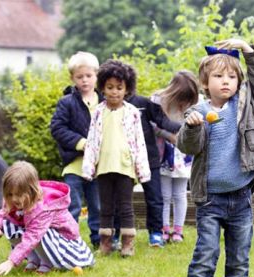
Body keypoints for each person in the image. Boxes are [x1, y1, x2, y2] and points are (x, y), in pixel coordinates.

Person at [177, 39, 254, 277]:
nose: (226, 81)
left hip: (241, 197)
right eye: (219, 76)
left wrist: (247, 49)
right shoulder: (197, 112)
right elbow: (187, 147)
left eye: (232, 77)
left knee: (239, 257)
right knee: (206, 253)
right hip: (210, 199)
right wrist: (192, 128)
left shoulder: (245, 105)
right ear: (205, 82)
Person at [82, 59, 151, 257]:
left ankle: (127, 243)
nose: (114, 92)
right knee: (106, 207)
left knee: (125, 206)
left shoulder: (132, 113)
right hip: (103, 167)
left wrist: (141, 169)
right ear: (102, 88)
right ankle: (105, 244)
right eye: (110, 87)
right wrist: (89, 166)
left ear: (127, 88)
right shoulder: (97, 113)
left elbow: (140, 142)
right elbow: (92, 140)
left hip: (125, 167)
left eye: (119, 87)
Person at [0, 161, 94, 276]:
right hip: (42, 239)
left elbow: (32, 237)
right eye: (10, 194)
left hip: (65, 244)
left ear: (31, 190)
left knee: (42, 233)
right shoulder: (12, 198)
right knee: (8, 223)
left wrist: (11, 262)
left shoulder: (43, 208)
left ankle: (47, 262)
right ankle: (34, 259)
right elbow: (4, 212)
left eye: (18, 194)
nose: (14, 198)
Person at [124, 67, 183, 248]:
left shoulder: (143, 103)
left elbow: (162, 121)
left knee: (155, 197)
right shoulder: (106, 106)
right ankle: (120, 233)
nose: (118, 90)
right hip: (123, 160)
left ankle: (156, 233)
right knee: (122, 199)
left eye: (123, 85)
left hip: (149, 158)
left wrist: (184, 128)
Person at [50, 51, 103, 249]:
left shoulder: (105, 102)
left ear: (96, 75)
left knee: (97, 205)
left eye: (89, 76)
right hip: (74, 165)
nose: (85, 80)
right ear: (73, 78)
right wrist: (81, 143)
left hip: (98, 166)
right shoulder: (67, 103)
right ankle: (69, 241)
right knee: (72, 205)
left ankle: (98, 241)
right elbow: (57, 128)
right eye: (80, 77)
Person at [150, 70, 200, 243]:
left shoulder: (196, 102)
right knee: (164, 195)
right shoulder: (157, 100)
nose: (183, 103)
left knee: (180, 193)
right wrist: (169, 136)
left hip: (184, 155)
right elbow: (151, 124)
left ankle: (178, 230)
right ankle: (164, 228)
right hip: (163, 153)